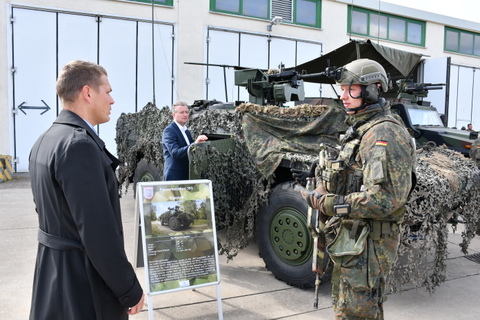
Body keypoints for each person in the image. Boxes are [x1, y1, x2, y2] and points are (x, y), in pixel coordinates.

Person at [294, 59, 416, 319]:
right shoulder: (362, 127)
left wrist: (326, 202)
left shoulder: (383, 133)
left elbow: (386, 199)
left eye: (352, 89)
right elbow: (354, 173)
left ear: (374, 89)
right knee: (347, 308)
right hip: (354, 241)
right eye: (342, 89)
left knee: (357, 313)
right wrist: (321, 179)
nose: (344, 96)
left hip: (368, 245)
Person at [29, 60, 145, 320]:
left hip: (52, 276)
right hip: (83, 286)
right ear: (88, 93)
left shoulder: (45, 140)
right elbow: (98, 232)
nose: (112, 100)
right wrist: (129, 289)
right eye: (108, 91)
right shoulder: (78, 146)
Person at [162, 101, 208, 180]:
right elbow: (175, 153)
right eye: (181, 112)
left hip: (186, 175)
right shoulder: (169, 131)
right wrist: (194, 144)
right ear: (173, 114)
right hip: (174, 176)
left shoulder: (186, 131)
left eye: (186, 112)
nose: (185, 115)